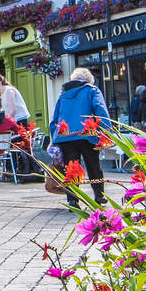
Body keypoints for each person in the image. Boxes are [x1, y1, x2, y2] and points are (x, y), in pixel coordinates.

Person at [51, 66, 111, 207]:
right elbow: (100, 110)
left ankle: (72, 200)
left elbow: (55, 118)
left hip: (66, 137)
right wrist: (107, 131)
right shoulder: (92, 90)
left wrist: (54, 138)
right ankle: (99, 196)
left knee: (71, 168)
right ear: (89, 80)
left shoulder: (63, 95)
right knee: (93, 164)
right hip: (86, 134)